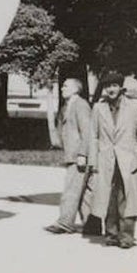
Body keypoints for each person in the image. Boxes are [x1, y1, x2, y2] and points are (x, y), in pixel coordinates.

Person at [86, 70, 137, 248]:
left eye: (114, 85)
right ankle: (112, 234)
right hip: (106, 160)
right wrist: (94, 161)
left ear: (121, 87)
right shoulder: (99, 108)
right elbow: (93, 136)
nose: (110, 89)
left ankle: (126, 236)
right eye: (107, 86)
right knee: (108, 197)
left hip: (128, 160)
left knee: (127, 198)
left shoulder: (134, 107)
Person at [44, 78, 93, 234]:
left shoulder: (80, 105)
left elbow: (87, 132)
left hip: (78, 155)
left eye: (65, 86)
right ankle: (92, 225)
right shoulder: (70, 105)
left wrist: (82, 154)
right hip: (75, 155)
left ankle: (64, 223)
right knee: (84, 192)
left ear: (75, 89)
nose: (62, 88)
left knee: (71, 189)